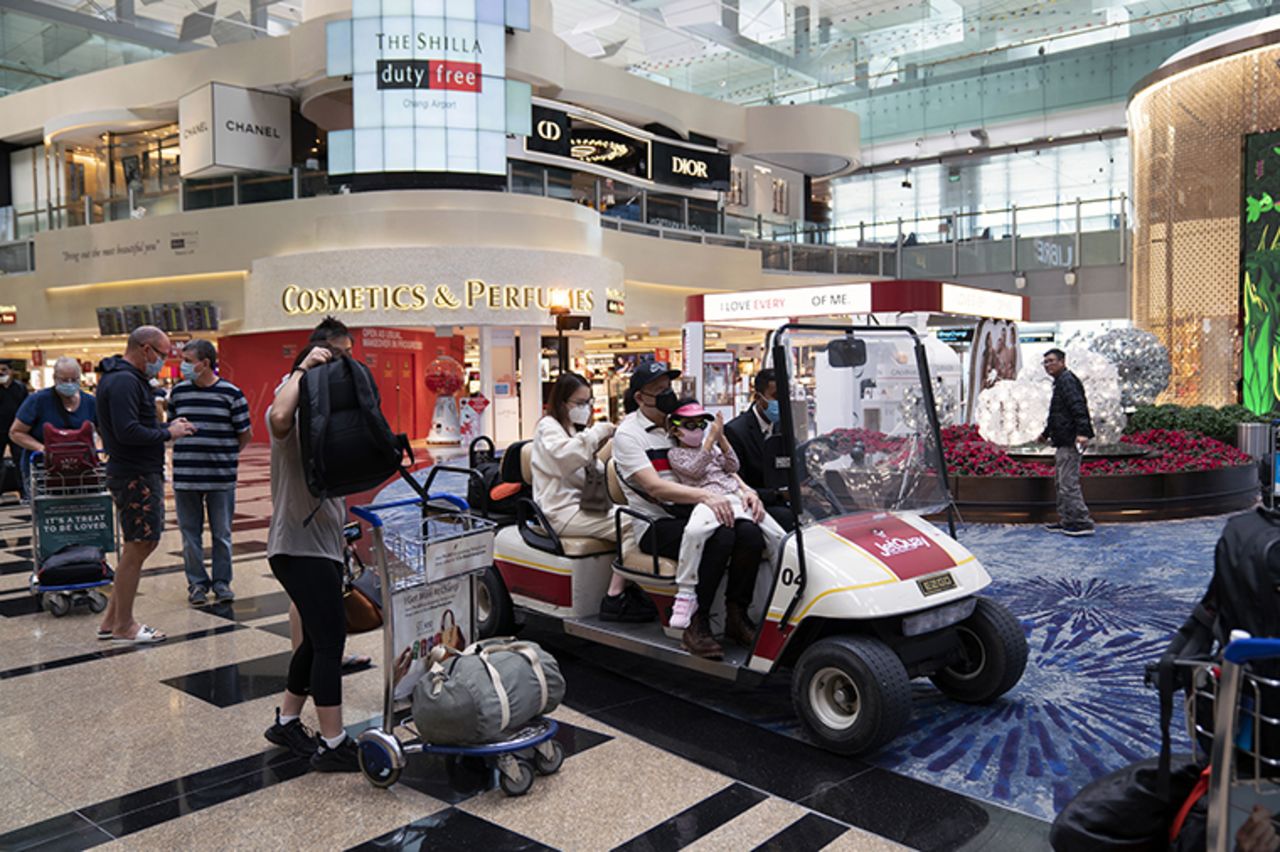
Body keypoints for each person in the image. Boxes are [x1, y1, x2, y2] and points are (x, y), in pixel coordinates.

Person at [611, 360, 767, 660]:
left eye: (669, 388)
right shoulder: (629, 435)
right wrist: (706, 497)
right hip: (656, 522)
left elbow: (717, 466)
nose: (668, 395)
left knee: (750, 533)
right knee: (720, 537)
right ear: (640, 398)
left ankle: (737, 614)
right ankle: (697, 623)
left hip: (699, 510)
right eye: (658, 391)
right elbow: (655, 487)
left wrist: (746, 491)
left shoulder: (681, 421)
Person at [263, 338, 361, 772]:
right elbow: (279, 416)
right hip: (297, 547)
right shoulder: (292, 405)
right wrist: (302, 371)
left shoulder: (324, 418)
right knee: (329, 643)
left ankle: (286, 720)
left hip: (319, 545)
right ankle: (334, 741)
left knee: (316, 639)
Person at [96, 326, 198, 643]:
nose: (164, 361)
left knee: (142, 543)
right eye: (163, 354)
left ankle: (111, 619)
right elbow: (127, 431)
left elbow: (132, 426)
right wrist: (169, 433)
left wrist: (166, 426)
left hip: (135, 470)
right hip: (134, 473)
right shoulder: (125, 380)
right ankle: (124, 623)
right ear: (145, 349)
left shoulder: (123, 378)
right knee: (139, 544)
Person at [531, 372, 655, 622]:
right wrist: (597, 433)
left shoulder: (573, 429)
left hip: (583, 508)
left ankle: (629, 587)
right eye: (579, 403)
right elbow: (564, 460)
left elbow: (593, 469)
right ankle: (616, 595)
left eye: (588, 402)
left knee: (637, 514)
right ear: (562, 402)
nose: (585, 408)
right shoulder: (548, 427)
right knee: (632, 522)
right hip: (560, 511)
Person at [666, 401, 784, 633]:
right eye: (690, 424)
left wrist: (722, 439)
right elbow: (694, 471)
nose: (697, 429)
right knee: (694, 533)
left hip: (734, 496)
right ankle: (686, 594)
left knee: (777, 535)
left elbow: (733, 466)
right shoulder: (676, 453)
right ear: (675, 429)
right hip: (706, 500)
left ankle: (781, 590)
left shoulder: (715, 449)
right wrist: (709, 442)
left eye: (701, 423)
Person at [169, 340, 252, 606]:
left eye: (188, 360)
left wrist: (224, 456)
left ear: (205, 363)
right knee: (189, 534)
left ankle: (222, 583)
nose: (183, 365)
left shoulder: (231, 393)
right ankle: (197, 584)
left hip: (220, 477)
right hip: (186, 476)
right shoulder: (178, 392)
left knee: (222, 534)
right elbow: (171, 427)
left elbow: (244, 434)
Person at [725, 369, 795, 532]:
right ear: (758, 397)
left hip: (784, 499)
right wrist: (778, 494)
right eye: (776, 396)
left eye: (786, 396)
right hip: (754, 503)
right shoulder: (736, 431)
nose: (782, 402)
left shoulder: (783, 427)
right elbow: (735, 483)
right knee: (787, 517)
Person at [9, 357, 97, 486]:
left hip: (82, 468)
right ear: (54, 378)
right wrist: (42, 449)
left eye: (74, 379)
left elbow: (102, 431)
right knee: (48, 504)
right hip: (43, 469)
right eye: (64, 380)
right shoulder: (38, 401)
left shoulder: (90, 402)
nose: (70, 383)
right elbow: (15, 433)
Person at [1038, 348, 1095, 537]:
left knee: (1068, 483)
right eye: (1045, 362)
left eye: (1051, 361)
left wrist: (1083, 433)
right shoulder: (1060, 382)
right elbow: (1057, 413)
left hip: (1070, 440)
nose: (1048, 365)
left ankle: (1081, 522)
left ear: (1062, 362)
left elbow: (1078, 406)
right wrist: (1046, 433)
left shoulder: (1067, 381)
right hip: (1063, 439)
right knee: (1061, 482)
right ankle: (1067, 520)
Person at [0, 360, 29, 498]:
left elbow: (27, 408)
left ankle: (24, 491)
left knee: (20, 461)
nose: (1, 373)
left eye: (4, 370)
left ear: (11, 371)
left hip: (17, 431)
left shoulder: (20, 388)